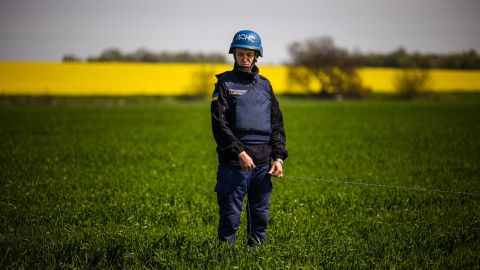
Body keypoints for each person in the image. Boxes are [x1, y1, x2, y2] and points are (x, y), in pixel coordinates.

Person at [210, 29, 288, 248]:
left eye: (249, 54)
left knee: (260, 218)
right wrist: (239, 152)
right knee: (230, 219)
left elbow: (277, 124)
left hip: (263, 167)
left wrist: (278, 158)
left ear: (257, 55)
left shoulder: (265, 85)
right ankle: (225, 260)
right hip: (234, 165)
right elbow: (219, 125)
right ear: (234, 54)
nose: (245, 58)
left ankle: (255, 258)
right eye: (241, 53)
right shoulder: (224, 84)